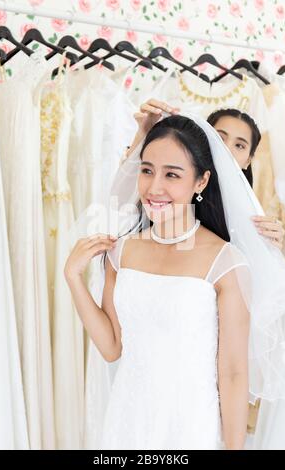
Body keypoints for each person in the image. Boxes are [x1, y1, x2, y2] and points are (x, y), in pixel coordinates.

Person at [65, 113, 251, 450]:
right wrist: (74, 279)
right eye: (147, 170)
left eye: (172, 175)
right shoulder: (120, 252)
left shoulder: (225, 262)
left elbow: (235, 372)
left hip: (192, 427)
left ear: (201, 182)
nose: (154, 188)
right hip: (127, 422)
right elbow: (111, 348)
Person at [122, 100, 285, 249]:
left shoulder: (248, 211)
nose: (226, 149)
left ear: (248, 161)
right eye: (219, 138)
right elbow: (126, 196)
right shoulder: (171, 189)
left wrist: (270, 247)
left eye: (239, 145)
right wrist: (142, 134)